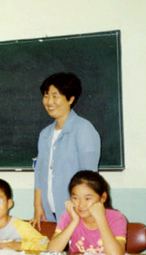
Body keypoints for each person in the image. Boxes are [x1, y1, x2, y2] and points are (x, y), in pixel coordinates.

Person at [31, 72, 101, 230]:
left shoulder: (84, 129)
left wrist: (82, 210)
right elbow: (39, 173)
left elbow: (90, 180)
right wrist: (37, 205)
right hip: (48, 213)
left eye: (55, 96)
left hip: (77, 213)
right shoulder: (45, 134)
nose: (49, 102)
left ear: (70, 99)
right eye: (46, 95)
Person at [47, 170, 126, 255]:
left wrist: (101, 218)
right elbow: (51, 252)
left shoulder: (116, 218)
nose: (81, 205)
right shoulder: (69, 216)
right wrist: (74, 221)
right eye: (75, 198)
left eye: (88, 198)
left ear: (102, 198)